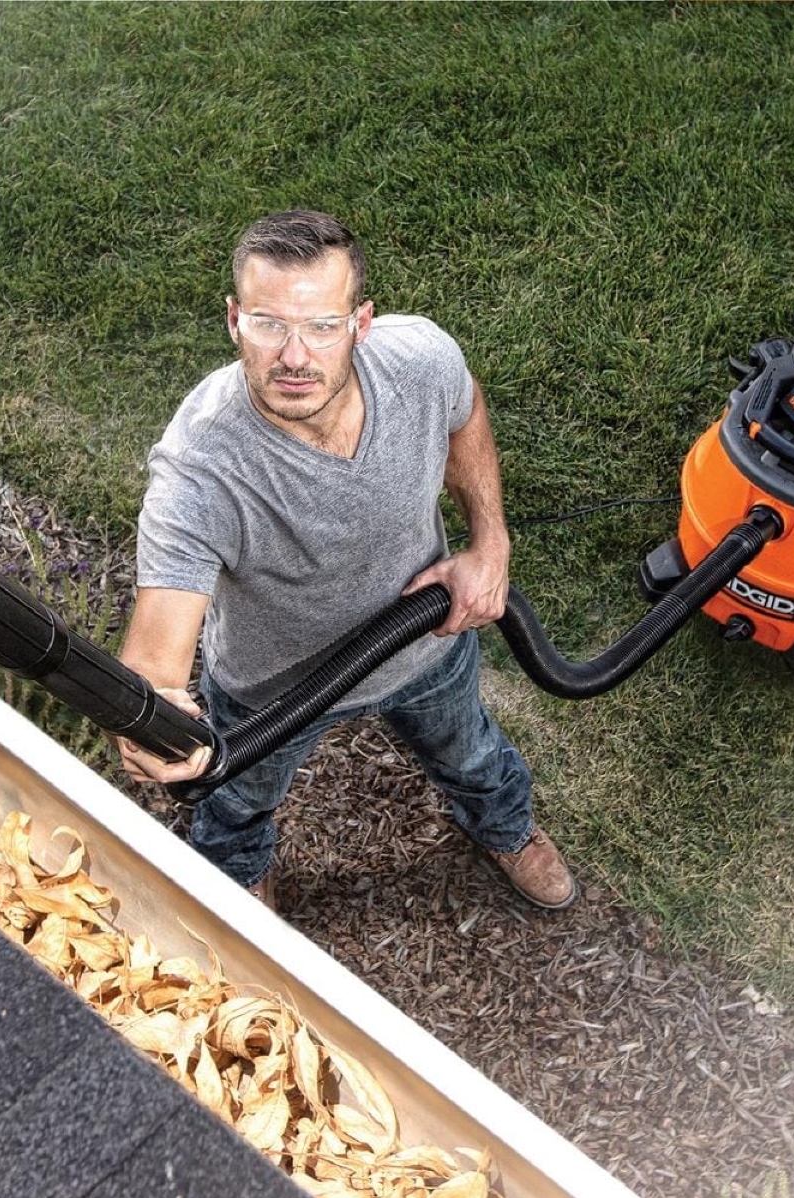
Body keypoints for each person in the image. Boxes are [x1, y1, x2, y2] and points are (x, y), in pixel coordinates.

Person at [116, 210, 576, 912]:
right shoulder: (201, 469)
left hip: (427, 643)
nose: (295, 356)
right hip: (274, 689)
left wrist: (490, 544)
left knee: (474, 758)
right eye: (270, 323)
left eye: (322, 326)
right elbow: (156, 659)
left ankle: (506, 829)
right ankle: (239, 880)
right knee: (237, 802)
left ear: (361, 323)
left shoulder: (420, 361)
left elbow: (465, 409)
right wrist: (151, 717)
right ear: (235, 320)